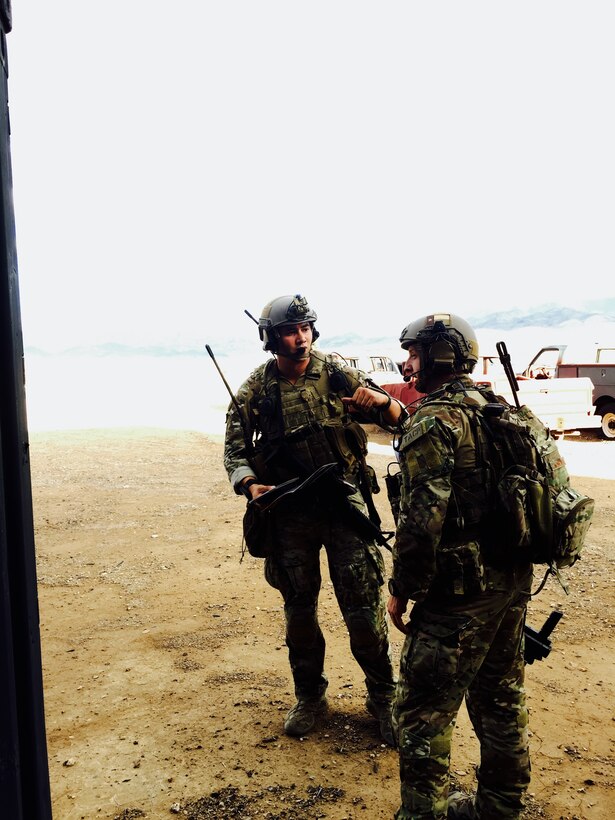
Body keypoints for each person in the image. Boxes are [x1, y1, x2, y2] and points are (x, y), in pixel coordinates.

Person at [223, 293, 401, 744]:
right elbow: (234, 452)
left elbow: (393, 419)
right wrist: (249, 484)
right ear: (270, 337)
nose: (300, 338)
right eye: (290, 329)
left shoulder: (337, 372)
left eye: (305, 328)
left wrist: (379, 403)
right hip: (289, 515)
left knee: (362, 612)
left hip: (344, 508)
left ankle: (383, 699)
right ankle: (309, 696)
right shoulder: (255, 391)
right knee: (299, 613)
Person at [386, 313, 532, 820]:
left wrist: (402, 588)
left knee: (422, 713)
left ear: (439, 355)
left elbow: (421, 521)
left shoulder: (433, 420)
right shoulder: (499, 409)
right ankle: (499, 808)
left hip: (461, 593)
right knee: (500, 699)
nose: (407, 363)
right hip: (512, 582)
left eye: (414, 353)